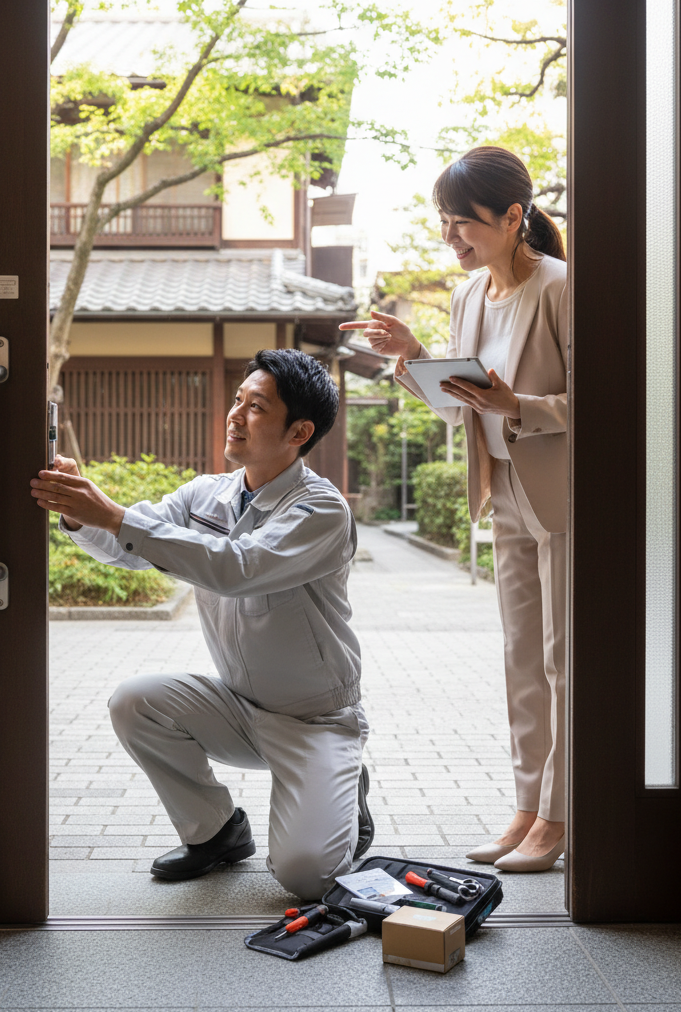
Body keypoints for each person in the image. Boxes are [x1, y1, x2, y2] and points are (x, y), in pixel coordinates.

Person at [30, 348, 374, 900]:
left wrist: (114, 515)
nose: (236, 415)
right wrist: (79, 511)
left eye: (256, 407)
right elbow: (131, 547)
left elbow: (239, 568)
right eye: (239, 400)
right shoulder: (205, 493)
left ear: (299, 431)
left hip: (316, 721)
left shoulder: (321, 511)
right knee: (134, 701)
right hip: (238, 709)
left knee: (306, 877)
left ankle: (344, 786)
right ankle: (215, 832)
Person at [340, 145, 567, 873]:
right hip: (501, 490)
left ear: (512, 217)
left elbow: (614, 400)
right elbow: (455, 406)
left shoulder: (562, 288)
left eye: (462, 223)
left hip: (561, 497)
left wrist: (517, 405)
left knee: (564, 661)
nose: (450, 237)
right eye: (443, 222)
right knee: (521, 660)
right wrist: (411, 356)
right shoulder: (468, 296)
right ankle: (527, 806)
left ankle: (560, 817)